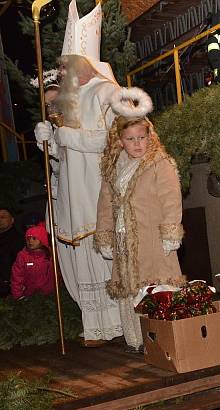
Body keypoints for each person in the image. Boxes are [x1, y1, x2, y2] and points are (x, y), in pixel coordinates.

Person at [33, 0, 125, 346]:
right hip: (74, 189)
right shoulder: (69, 98)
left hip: (99, 187)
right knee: (83, 255)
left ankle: (119, 321)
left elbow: (113, 140)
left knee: (103, 252)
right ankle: (97, 324)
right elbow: (64, 157)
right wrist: (50, 144)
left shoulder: (108, 92)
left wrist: (66, 136)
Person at [96, 115, 185, 353]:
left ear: (150, 136)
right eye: (130, 139)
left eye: (141, 137)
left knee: (157, 280)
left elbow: (171, 199)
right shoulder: (113, 168)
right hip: (124, 237)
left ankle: (165, 341)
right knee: (129, 285)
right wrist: (104, 233)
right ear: (120, 141)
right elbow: (105, 203)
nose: (137, 144)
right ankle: (137, 339)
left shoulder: (159, 162)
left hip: (152, 236)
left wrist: (170, 231)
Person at [11, 222, 55, 299]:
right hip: (29, 295)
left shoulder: (51, 254)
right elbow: (17, 276)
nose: (30, 241)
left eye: (34, 238)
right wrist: (18, 295)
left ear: (42, 239)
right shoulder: (23, 256)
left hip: (50, 295)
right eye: (28, 239)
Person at [0, 207, 25, 297]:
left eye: (3, 217)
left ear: (12, 220)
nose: (0, 220)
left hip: (11, 289)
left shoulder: (19, 239)